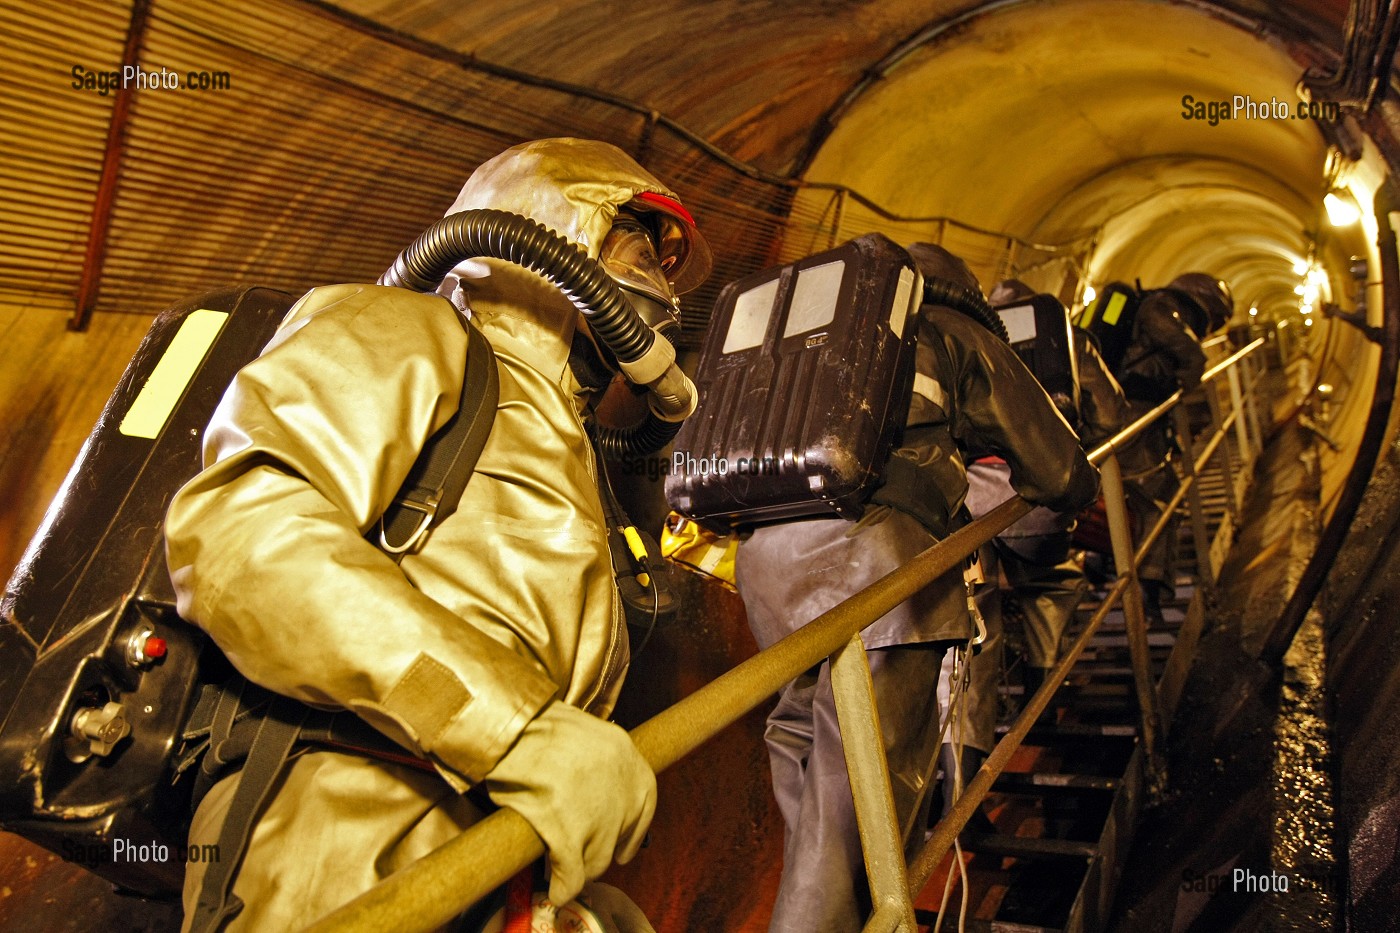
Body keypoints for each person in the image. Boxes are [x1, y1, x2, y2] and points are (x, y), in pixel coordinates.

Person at [163, 137, 711, 931]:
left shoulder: (569, 448)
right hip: (345, 835)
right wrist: (514, 729)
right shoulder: (404, 327)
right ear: (563, 227)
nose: (662, 287)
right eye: (645, 250)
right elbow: (243, 536)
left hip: (492, 853)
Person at [733, 243, 1099, 932]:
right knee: (852, 812)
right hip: (877, 578)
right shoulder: (953, 329)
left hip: (764, 574)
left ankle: (824, 911)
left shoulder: (817, 334)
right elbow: (1059, 471)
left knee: (805, 771)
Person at [936, 280, 1127, 812]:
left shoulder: (941, 335)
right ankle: (1044, 694)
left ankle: (959, 794)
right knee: (1054, 581)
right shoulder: (1060, 334)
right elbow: (1109, 415)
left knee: (974, 635)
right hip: (1032, 503)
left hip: (964, 507)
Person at [1112, 272, 1232, 624]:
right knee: (1160, 497)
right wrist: (1193, 360)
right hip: (1132, 415)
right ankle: (1146, 593)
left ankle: (1120, 572)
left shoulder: (1153, 306)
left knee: (1134, 495)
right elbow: (1167, 331)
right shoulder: (1160, 304)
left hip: (1135, 415)